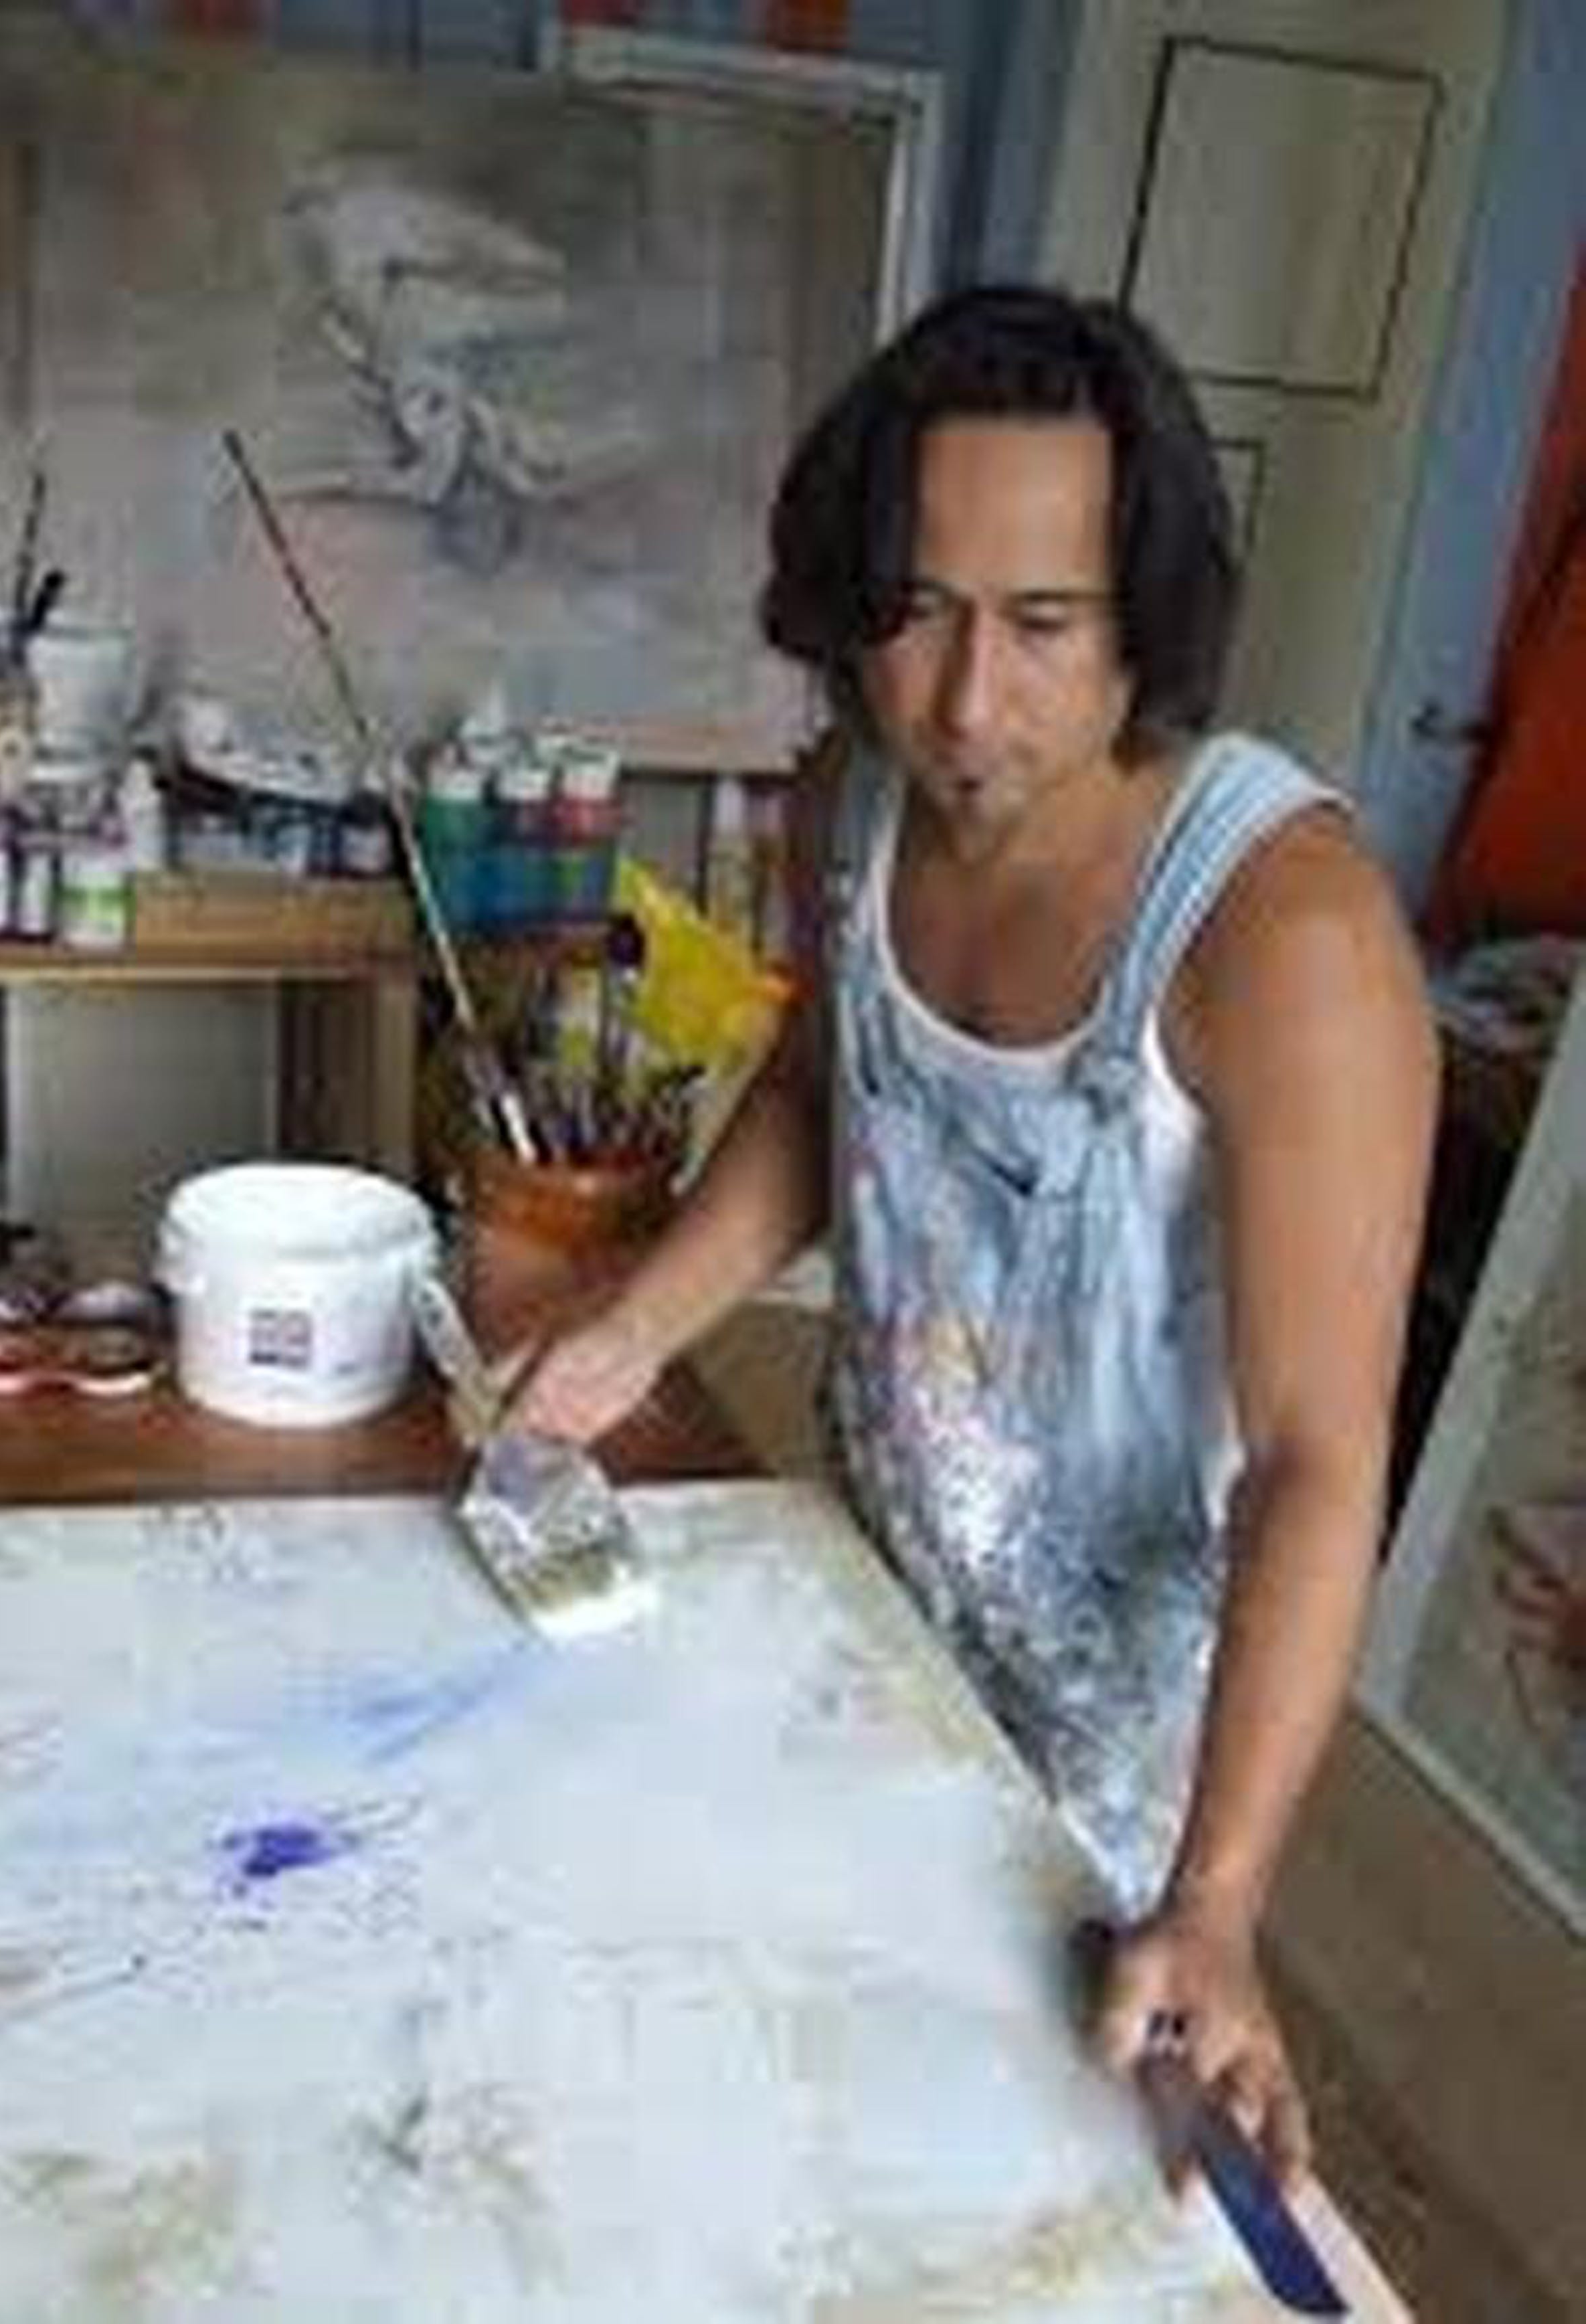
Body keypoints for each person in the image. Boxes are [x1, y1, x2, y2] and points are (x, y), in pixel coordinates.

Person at [509, 284, 1437, 2184]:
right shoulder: (854, 800)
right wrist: (632, 1331)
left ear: (1143, 615)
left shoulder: (1287, 933)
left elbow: (1321, 1461)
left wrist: (1221, 1897)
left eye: (1043, 624)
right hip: (870, 1607)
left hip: (1116, 1776)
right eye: (917, 612)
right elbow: (821, 1093)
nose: (961, 703)